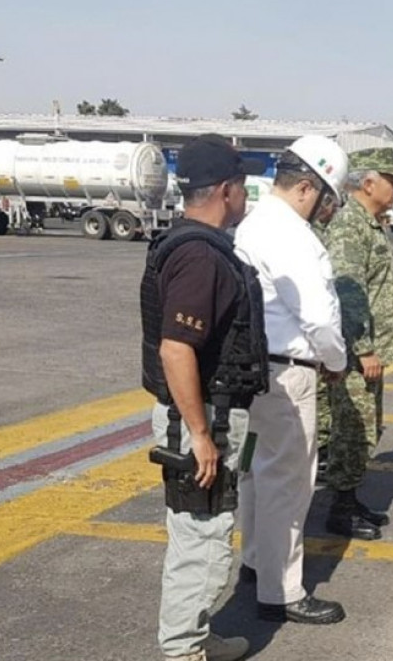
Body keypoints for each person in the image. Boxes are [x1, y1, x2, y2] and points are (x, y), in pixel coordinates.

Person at [141, 134, 267, 661]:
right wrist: (200, 435)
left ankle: (193, 635)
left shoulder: (188, 243)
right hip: (202, 419)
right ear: (224, 190)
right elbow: (176, 349)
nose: (246, 196)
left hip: (206, 414)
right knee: (203, 540)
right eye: (242, 185)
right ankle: (182, 651)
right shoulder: (200, 257)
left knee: (197, 533)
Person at [234, 136, 351, 625]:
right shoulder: (295, 237)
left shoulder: (253, 223)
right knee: (288, 483)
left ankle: (255, 561)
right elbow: (319, 319)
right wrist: (337, 361)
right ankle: (280, 592)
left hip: (251, 370)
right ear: (306, 187)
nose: (326, 211)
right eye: (327, 199)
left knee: (255, 472)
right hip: (288, 374)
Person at [323, 150, 393, 541]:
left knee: (365, 426)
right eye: (392, 180)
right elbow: (347, 289)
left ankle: (351, 499)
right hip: (356, 353)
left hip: (368, 350)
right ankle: (340, 510)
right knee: (352, 429)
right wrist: (363, 348)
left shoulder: (368, 224)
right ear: (369, 183)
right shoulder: (349, 225)